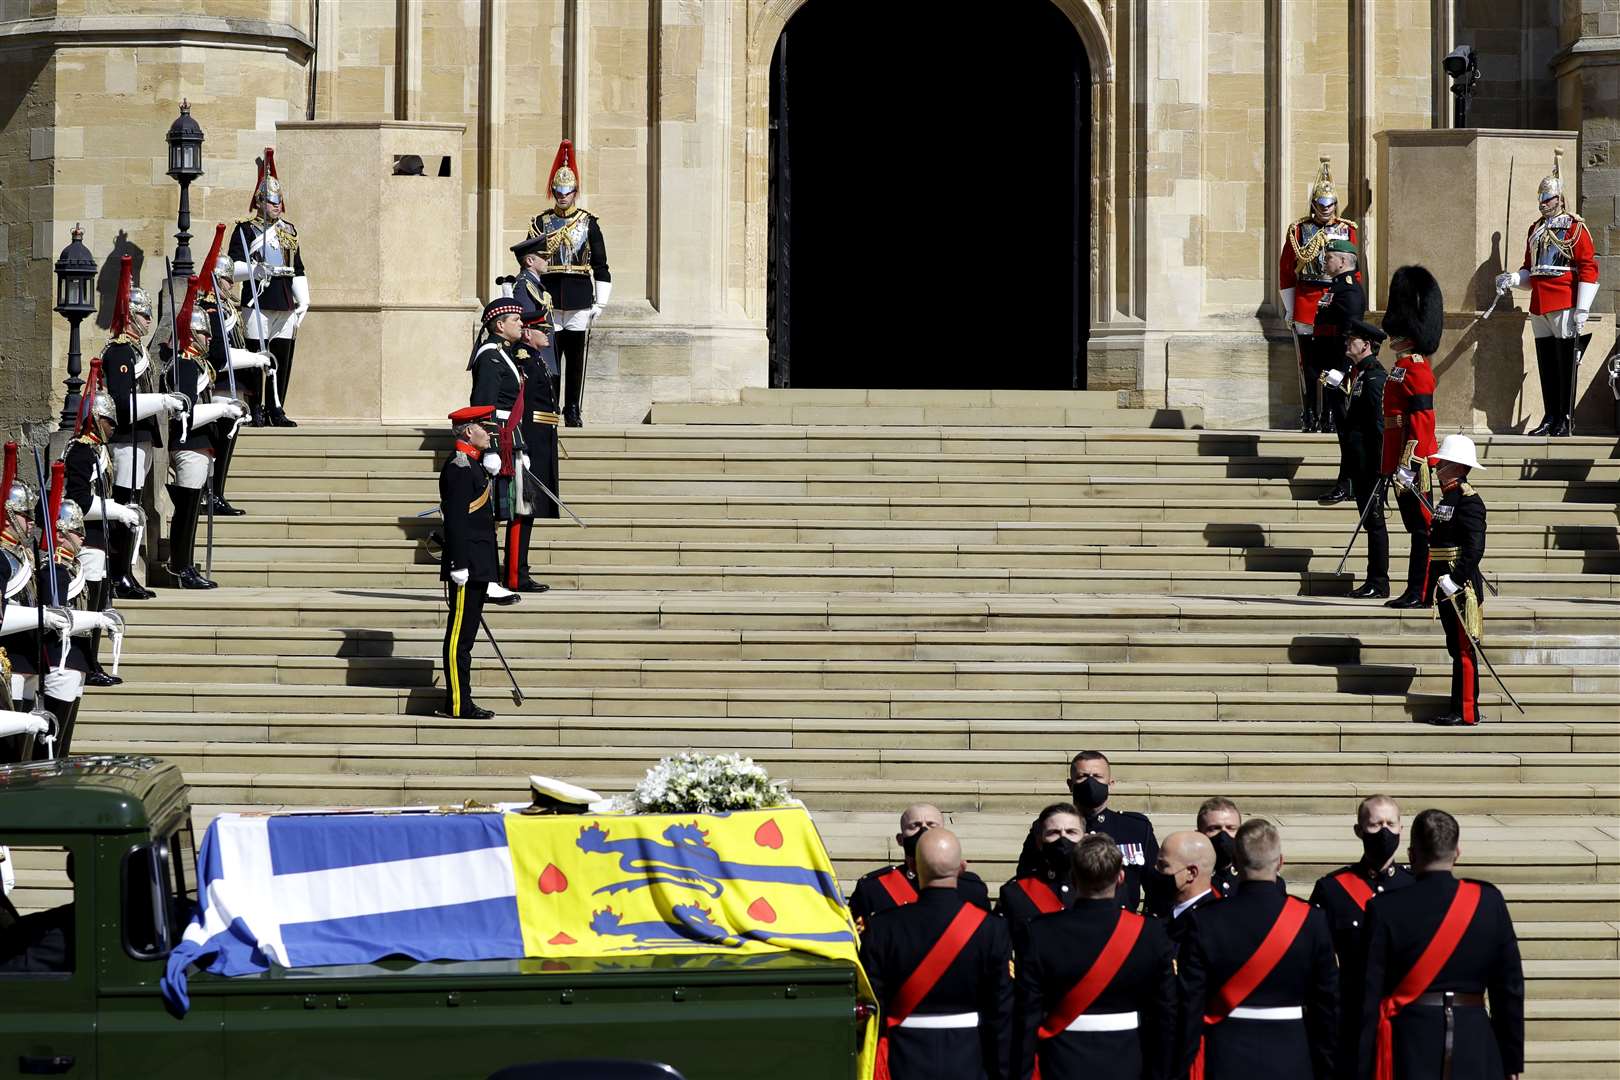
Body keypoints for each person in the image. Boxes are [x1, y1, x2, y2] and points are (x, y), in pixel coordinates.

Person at [1357, 809, 1523, 1080]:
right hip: (1474, 1042)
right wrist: (1511, 1059)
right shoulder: (1488, 901)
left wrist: (1364, 1065)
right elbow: (1509, 989)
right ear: (1457, 852)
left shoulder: (1384, 908)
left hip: (1410, 1041)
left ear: (1412, 855)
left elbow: (1370, 995)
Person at [1177, 818, 1338, 1080]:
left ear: (1236, 862)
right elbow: (1327, 1004)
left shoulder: (1206, 919)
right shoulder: (1311, 920)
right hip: (1292, 1053)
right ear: (1280, 862)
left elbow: (1190, 1003)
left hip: (1226, 1052)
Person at [1012, 834, 1176, 1080]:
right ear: (1121, 877)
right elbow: (1165, 1012)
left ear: (1073, 877)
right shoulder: (1150, 933)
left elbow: (1027, 1014)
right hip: (1129, 1056)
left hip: (1061, 1057)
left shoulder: (1039, 932)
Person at [859, 828, 1012, 1080]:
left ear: (913, 867)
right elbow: (1002, 1009)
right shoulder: (990, 928)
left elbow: (874, 1000)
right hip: (970, 1055)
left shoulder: (882, 927)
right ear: (962, 867)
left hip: (902, 1055)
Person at [1494, 148, 1600, 437]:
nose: (1542, 204)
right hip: (1539, 303)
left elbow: (1588, 268)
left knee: (1565, 364)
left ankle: (1565, 417)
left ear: (1560, 198)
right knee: (1547, 365)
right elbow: (1532, 269)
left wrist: (1582, 308)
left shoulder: (1574, 228)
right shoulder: (1536, 229)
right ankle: (1550, 416)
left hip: (1564, 300)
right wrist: (1514, 278)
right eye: (1540, 199)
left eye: (1548, 198)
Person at [1310, 795, 1414, 1080]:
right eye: (1375, 824)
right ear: (1358, 831)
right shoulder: (1332, 890)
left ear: (1401, 828)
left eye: (1390, 824)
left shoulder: (1416, 886)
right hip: (1352, 1021)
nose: (1384, 832)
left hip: (1406, 1018)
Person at [100, 255, 186, 601]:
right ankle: (119, 573)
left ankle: (126, 573)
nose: (149, 319)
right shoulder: (120, 352)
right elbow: (122, 404)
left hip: (144, 438)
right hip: (126, 438)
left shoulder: (138, 351)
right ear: (128, 315)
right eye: (143, 313)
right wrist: (164, 403)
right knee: (125, 507)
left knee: (134, 506)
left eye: (151, 314)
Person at [166, 276, 248, 590]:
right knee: (186, 513)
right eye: (204, 331)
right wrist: (222, 410)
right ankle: (179, 568)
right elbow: (186, 411)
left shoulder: (198, 365)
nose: (209, 337)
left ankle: (185, 565)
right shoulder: (184, 366)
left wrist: (227, 407)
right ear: (191, 333)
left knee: (192, 513)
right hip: (189, 443)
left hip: (202, 445)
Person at [527, 140, 611, 427]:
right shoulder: (540, 222)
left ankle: (573, 408)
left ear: (575, 192)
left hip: (577, 296)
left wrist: (600, 301)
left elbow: (601, 264)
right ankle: (550, 409)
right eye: (558, 191)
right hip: (549, 296)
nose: (562, 196)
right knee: (550, 357)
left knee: (575, 358)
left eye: (567, 191)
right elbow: (527, 259)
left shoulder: (588, 223)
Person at [60, 390, 138, 687]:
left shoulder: (95, 450)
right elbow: (78, 499)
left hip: (99, 540)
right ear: (95, 419)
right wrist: (117, 510)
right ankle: (86, 664)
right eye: (109, 421)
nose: (113, 426)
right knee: (88, 608)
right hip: (86, 541)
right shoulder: (81, 451)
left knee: (98, 605)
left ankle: (92, 662)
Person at [1377, 266, 1443, 610]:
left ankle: (1421, 591)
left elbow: (1421, 420)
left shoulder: (1416, 368)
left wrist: (1408, 462)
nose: (1391, 338)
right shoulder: (1402, 367)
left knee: (1423, 531)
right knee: (1414, 529)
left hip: (1416, 464)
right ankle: (1414, 589)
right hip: (1400, 459)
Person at [229, 147, 310, 427]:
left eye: (279, 201)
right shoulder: (244, 230)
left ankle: (277, 407)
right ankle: (256, 409)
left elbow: (297, 267)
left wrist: (304, 300)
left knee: (281, 359)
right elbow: (233, 267)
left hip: (285, 300)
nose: (277, 206)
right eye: (272, 201)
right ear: (260, 202)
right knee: (256, 359)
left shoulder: (289, 230)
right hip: (259, 299)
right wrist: (256, 269)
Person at [1279, 157, 1359, 432]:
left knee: (1337, 363)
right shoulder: (1299, 231)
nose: (1326, 210)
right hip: (1307, 304)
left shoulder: (1347, 230)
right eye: (1321, 205)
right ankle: (1310, 413)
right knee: (1309, 367)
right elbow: (1287, 271)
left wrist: (1355, 309)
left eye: (1330, 204)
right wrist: (1290, 308)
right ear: (1313, 204)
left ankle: (1334, 414)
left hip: (1337, 303)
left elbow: (1355, 274)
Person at [467, 297, 539, 601]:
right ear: (499, 325)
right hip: (499, 443)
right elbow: (484, 407)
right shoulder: (490, 356)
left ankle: (502, 577)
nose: (521, 325)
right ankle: (487, 580)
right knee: (493, 513)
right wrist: (492, 448)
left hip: (512, 440)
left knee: (512, 509)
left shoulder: (504, 354)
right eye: (516, 320)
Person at [438, 405, 506, 721]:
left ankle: (463, 700)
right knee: (459, 639)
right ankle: (458, 703)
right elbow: (455, 521)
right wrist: (457, 563)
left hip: (479, 566)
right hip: (466, 566)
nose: (489, 431)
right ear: (468, 431)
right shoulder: (458, 467)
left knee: (466, 638)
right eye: (484, 427)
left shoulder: (475, 467)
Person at [1419, 434, 1489, 727]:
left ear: (1457, 467)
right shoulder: (1448, 497)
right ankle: (1458, 705)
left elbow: (1474, 548)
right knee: (1454, 647)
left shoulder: (1468, 500)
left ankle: (1466, 711)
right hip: (1443, 582)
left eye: (1443, 462)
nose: (1437, 466)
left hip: (1460, 587)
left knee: (1463, 650)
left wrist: (1457, 579)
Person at [849, 804, 991, 931]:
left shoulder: (971, 888)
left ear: (945, 834)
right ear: (900, 839)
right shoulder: (874, 889)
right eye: (914, 826)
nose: (924, 830)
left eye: (931, 825)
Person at [1326, 318, 1390, 599]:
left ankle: (1378, 580)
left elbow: (1378, 427)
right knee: (1369, 522)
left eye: (1352, 340)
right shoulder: (1357, 373)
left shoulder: (1375, 377)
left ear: (1366, 345)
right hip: (1358, 463)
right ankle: (1373, 579)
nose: (1347, 343)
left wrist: (1381, 467)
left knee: (1374, 522)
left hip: (1371, 465)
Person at [502, 307, 561, 594]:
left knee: (529, 510)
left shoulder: (536, 359)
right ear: (527, 332)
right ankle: (515, 574)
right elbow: (520, 408)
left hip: (541, 441)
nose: (548, 335)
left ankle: (520, 570)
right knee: (521, 510)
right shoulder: (522, 359)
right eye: (543, 331)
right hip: (528, 442)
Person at [1068, 751, 1156, 912]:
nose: (1090, 782)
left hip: (1123, 926)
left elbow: (1156, 886)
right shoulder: (1052, 830)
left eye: (1097, 776)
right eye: (1083, 776)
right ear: (1070, 785)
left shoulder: (1135, 828)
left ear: (1110, 784)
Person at [1313, 239, 1365, 503]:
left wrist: (1343, 370)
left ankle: (1349, 484)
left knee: (1347, 430)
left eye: (1330, 257)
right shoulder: (1336, 288)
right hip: (1331, 365)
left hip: (1341, 368)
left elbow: (1352, 334)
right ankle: (1348, 482)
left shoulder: (1349, 291)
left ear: (1343, 261)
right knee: (1342, 429)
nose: (1326, 262)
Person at [997, 803, 1083, 946]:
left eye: (1071, 832)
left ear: (1085, 840)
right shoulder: (1015, 894)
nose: (1063, 839)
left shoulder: (1101, 889)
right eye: (1053, 832)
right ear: (1039, 841)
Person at [1146, 830, 1217, 954]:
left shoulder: (1208, 925)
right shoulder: (1164, 910)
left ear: (1191, 873)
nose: (1156, 869)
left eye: (1163, 865)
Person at [1195, 796, 1241, 898]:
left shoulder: (1250, 877)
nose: (1223, 835)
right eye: (1214, 829)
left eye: (1230, 828)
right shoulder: (1190, 878)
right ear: (1199, 834)